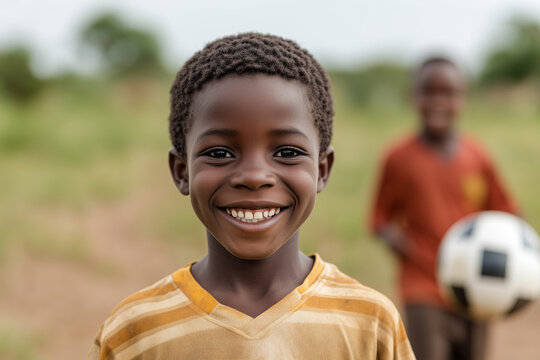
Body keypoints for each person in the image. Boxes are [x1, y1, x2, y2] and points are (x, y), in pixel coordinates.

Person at [87, 33, 415, 360]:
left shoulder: (371, 324)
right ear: (181, 170)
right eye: (219, 152)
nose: (255, 177)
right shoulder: (134, 333)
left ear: (322, 169)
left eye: (287, 151)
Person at [369, 56, 519, 360]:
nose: (438, 102)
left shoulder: (478, 156)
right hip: (422, 283)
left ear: (463, 98)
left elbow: (507, 213)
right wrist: (395, 240)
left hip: (476, 284)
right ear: (415, 96)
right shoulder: (398, 157)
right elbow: (379, 218)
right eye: (429, 92)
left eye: (448, 93)